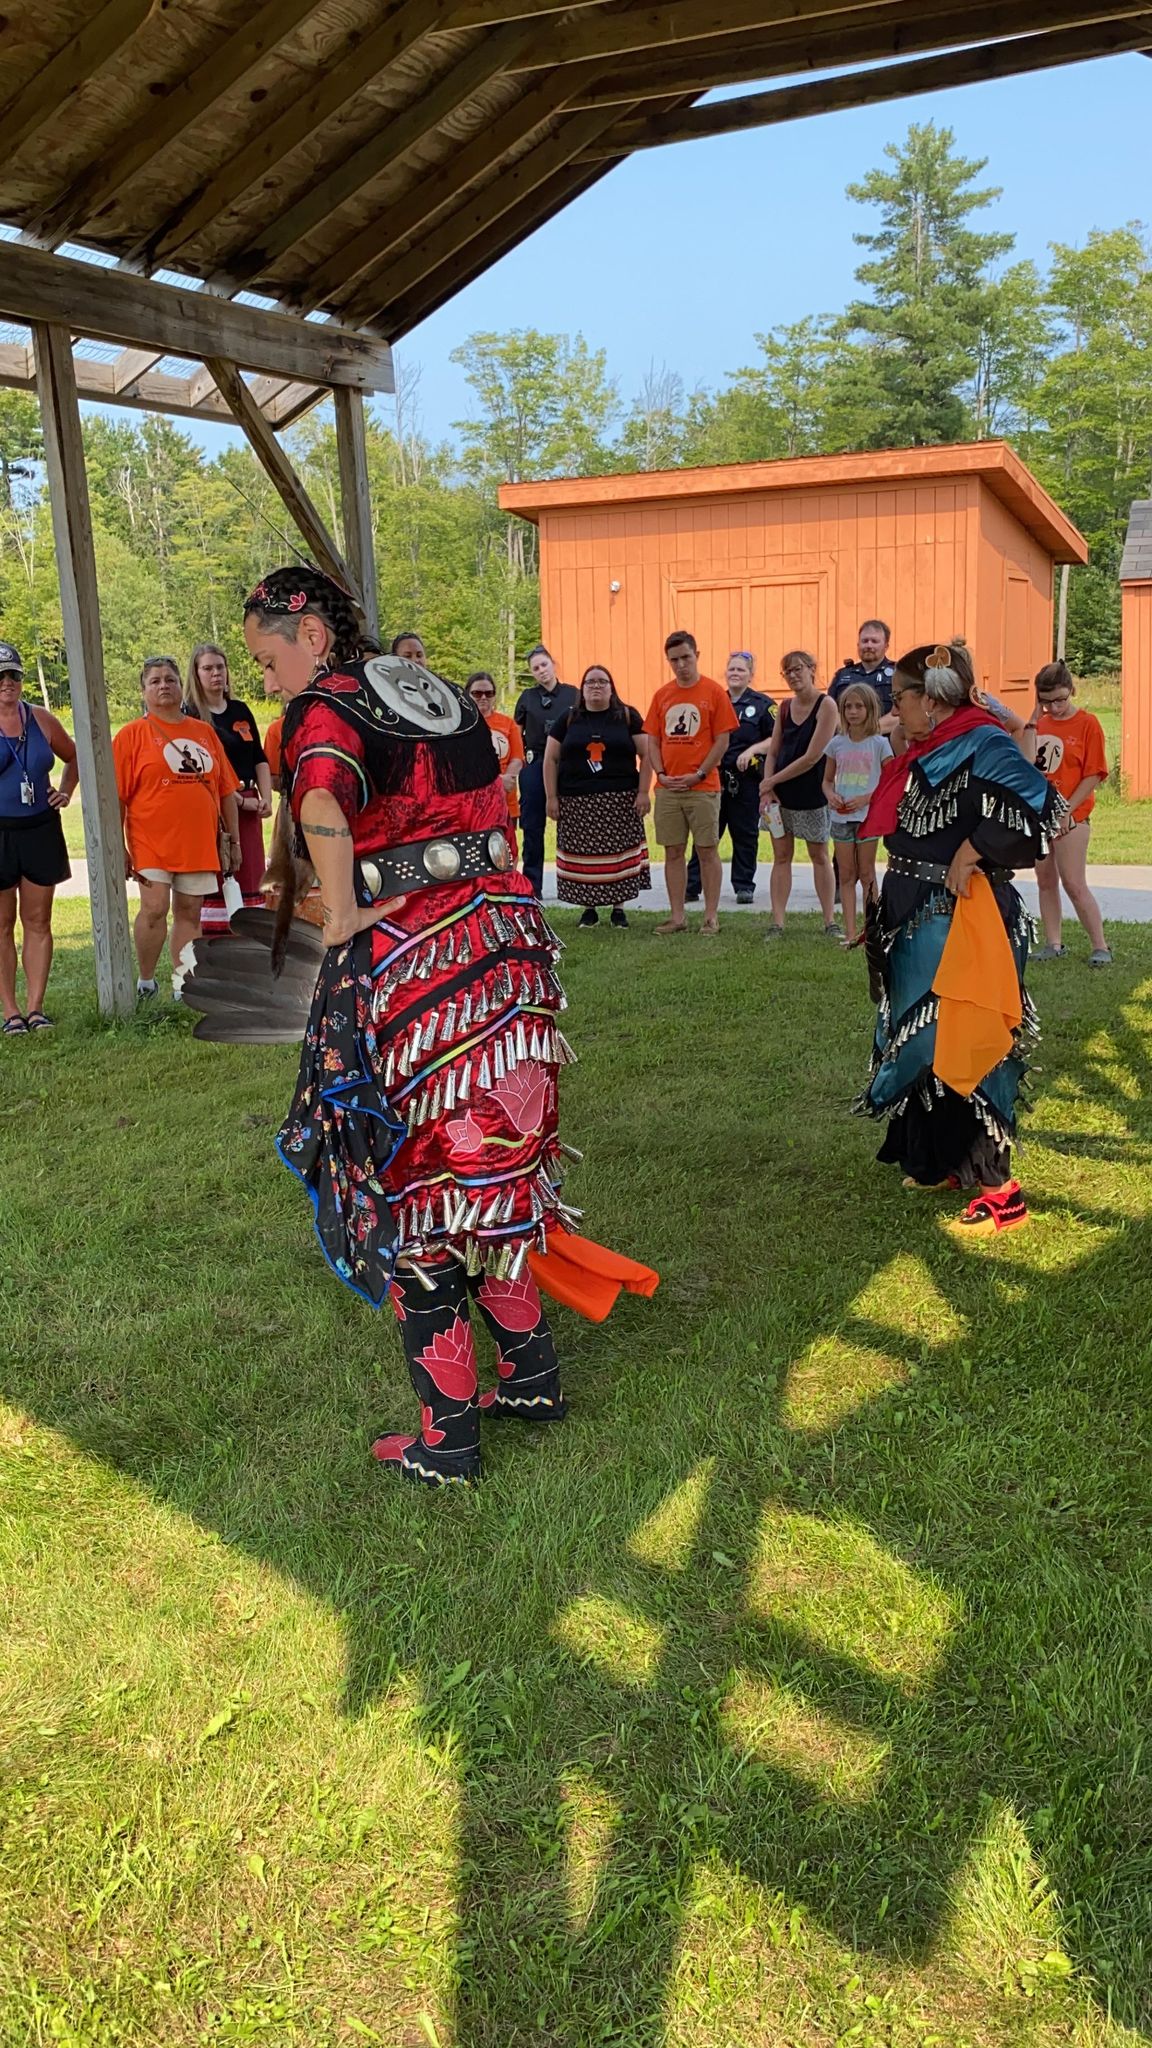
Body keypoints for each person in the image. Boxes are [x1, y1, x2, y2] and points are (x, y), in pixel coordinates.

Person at [236, 566, 652, 1489]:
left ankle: (448, 1438)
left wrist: (338, 913)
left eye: (267, 659)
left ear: (309, 637)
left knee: (422, 1188)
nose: (267, 679)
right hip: (507, 953)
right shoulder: (431, 692)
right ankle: (533, 1382)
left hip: (422, 968)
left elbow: (318, 800)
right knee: (495, 1168)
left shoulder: (328, 706)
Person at [858, 639, 1067, 1234]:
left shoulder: (985, 741)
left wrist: (976, 848)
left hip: (962, 914)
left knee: (969, 1032)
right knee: (917, 1033)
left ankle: (1000, 1188)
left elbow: (1046, 812)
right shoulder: (928, 748)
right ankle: (941, 1159)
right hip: (913, 907)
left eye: (900, 699)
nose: (895, 711)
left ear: (933, 698)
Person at [113, 656, 241, 1000]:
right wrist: (119, 847)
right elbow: (117, 797)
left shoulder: (203, 733)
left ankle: (184, 981)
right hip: (150, 841)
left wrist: (234, 842)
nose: (163, 686)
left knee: (189, 912)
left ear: (181, 686)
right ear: (143, 691)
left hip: (198, 842)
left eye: (169, 679)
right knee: (154, 909)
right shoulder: (130, 736)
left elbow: (227, 790)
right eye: (154, 681)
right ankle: (145, 980)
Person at [0, 640, 77, 1034]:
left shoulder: (41, 719)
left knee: (37, 920)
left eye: (13, 675)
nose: (7, 683)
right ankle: (10, 1011)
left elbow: (74, 756)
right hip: (0, 833)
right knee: (1, 923)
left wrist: (65, 791)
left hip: (40, 828)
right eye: (0, 677)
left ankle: (35, 1008)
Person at [644, 630, 739, 937]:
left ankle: (710, 917)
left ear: (697, 655)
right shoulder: (662, 695)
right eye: (674, 660)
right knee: (673, 851)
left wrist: (698, 774)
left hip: (703, 786)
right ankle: (677, 916)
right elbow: (653, 741)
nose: (681, 665)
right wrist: (661, 774)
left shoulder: (714, 693)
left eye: (686, 657)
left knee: (706, 850)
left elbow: (722, 741)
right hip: (669, 788)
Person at [544, 665, 651, 927]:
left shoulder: (627, 716)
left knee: (618, 855)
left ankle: (618, 910)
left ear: (612, 688)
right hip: (577, 801)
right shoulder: (568, 719)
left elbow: (647, 754)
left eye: (602, 682)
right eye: (590, 682)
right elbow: (550, 759)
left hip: (619, 800)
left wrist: (643, 792)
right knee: (584, 857)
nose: (596, 686)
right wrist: (551, 797)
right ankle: (588, 909)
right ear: (582, 689)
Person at [185, 642, 273, 928]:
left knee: (250, 874)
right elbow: (201, 772)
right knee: (222, 872)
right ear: (196, 674)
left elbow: (259, 756)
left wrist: (265, 798)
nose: (215, 674)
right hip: (217, 806)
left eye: (220, 667)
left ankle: (250, 940)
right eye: (207, 668)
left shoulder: (240, 710)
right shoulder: (192, 716)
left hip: (250, 803)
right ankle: (217, 943)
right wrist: (237, 800)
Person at [1030, 660, 1111, 967]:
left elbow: (1094, 773)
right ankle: (1053, 943)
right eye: (1047, 702)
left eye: (1061, 700)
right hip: (1040, 813)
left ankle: (1100, 946)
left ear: (1072, 691)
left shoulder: (1088, 723)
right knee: (1045, 879)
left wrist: (1067, 809)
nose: (1055, 707)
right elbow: (1027, 763)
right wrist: (1032, 721)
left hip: (1072, 813)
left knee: (1074, 883)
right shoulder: (1041, 723)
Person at [758, 650, 839, 938]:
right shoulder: (784, 707)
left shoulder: (827, 705)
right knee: (781, 856)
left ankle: (829, 920)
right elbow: (774, 751)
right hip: (780, 796)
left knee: (819, 854)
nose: (793, 675)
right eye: (787, 671)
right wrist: (768, 787)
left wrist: (770, 782)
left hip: (812, 793)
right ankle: (777, 922)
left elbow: (812, 757)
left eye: (798, 669)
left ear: (812, 669)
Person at [685, 651, 775, 905]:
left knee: (745, 834)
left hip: (745, 781)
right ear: (725, 673)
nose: (735, 674)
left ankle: (744, 886)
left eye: (741, 670)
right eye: (732, 669)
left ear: (751, 675)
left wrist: (752, 750)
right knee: (705, 834)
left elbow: (775, 739)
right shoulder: (713, 700)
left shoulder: (763, 705)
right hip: (712, 779)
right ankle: (692, 885)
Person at [822, 683, 891, 946]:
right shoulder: (836, 744)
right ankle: (850, 933)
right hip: (841, 819)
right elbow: (827, 781)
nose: (852, 711)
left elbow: (888, 783)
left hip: (866, 818)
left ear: (870, 709)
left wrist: (866, 798)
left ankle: (871, 931)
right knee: (846, 875)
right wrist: (831, 795)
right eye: (847, 707)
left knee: (867, 874)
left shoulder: (879, 745)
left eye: (858, 706)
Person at [513, 645, 578, 897]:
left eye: (544, 665)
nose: (542, 671)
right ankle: (532, 885)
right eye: (536, 668)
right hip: (536, 763)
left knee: (572, 824)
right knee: (532, 826)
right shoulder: (527, 698)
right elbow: (517, 736)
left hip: (567, 764)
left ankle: (574, 884)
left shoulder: (573, 695)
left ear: (553, 664)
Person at [467, 671, 524, 850]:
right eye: (477, 693)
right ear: (467, 694)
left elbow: (517, 758)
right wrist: (496, 782)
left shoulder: (508, 724)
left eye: (489, 693)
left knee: (507, 852)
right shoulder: (462, 724)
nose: (483, 697)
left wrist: (507, 779)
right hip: (473, 800)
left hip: (506, 801)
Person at [829, 619, 896, 716]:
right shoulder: (842, 675)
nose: (869, 645)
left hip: (884, 731)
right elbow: (830, 711)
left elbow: (902, 713)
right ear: (858, 645)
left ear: (886, 646)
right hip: (846, 731)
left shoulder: (898, 674)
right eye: (865, 641)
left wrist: (869, 730)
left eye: (874, 641)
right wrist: (849, 730)